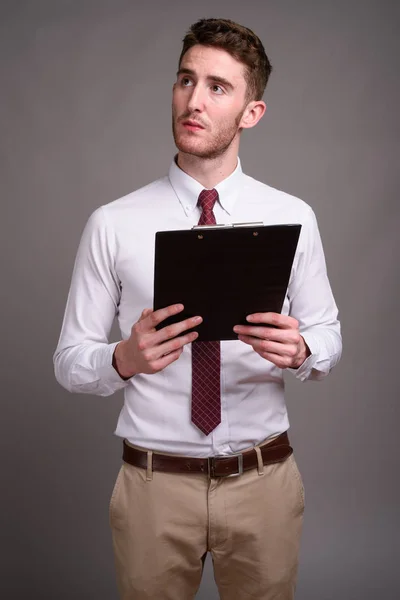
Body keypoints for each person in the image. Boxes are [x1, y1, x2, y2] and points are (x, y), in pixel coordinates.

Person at [53, 17, 342, 600]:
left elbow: (328, 336)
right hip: (153, 488)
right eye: (186, 80)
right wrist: (123, 359)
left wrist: (304, 349)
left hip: (263, 482)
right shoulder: (112, 223)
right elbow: (68, 360)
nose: (194, 100)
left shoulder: (294, 216)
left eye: (218, 87)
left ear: (251, 112)